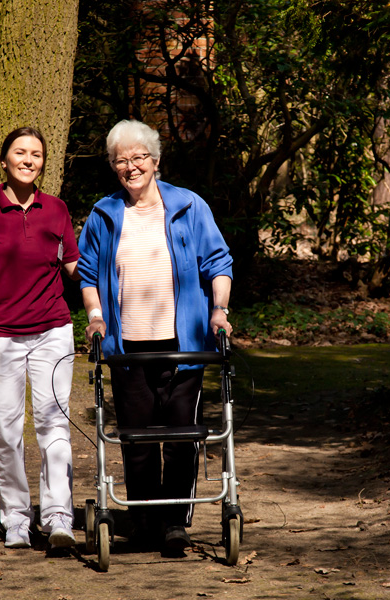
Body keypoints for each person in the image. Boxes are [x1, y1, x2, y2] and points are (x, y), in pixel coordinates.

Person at [78, 119, 234, 552]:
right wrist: (95, 316)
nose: (131, 167)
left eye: (138, 157)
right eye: (121, 160)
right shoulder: (104, 214)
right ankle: (144, 517)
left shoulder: (188, 206)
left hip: (185, 344)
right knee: (136, 437)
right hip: (128, 347)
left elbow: (219, 261)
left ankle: (174, 521)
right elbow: (88, 273)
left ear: (155, 160)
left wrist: (218, 310)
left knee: (184, 435)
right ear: (113, 167)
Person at [0, 126, 81, 551]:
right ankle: (15, 520)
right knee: (6, 432)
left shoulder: (57, 210)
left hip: (52, 332)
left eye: (37, 154)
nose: (29, 160)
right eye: (21, 153)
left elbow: (74, 270)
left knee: (54, 425)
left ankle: (59, 518)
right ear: (4, 161)